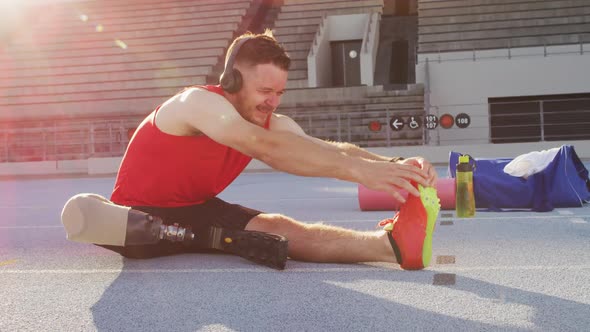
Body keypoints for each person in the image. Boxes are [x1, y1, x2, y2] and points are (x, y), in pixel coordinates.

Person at [106, 30, 438, 270]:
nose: (273, 102)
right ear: (233, 81)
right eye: (265, 90)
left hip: (195, 207)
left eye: (279, 92)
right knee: (264, 234)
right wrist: (364, 175)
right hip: (137, 216)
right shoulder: (197, 103)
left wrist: (396, 165)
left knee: (278, 225)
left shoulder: (267, 119)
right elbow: (263, 147)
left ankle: (391, 247)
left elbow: (324, 149)